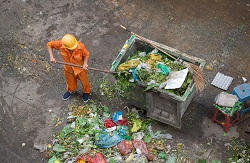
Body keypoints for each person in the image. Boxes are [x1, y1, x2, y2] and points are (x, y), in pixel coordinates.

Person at [47, 34, 90, 102]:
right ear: (65, 47)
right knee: (70, 81)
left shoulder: (80, 46)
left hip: (80, 69)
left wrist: (85, 63)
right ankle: (70, 90)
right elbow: (49, 44)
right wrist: (51, 57)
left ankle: (86, 92)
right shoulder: (60, 44)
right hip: (68, 69)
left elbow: (86, 55)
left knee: (85, 82)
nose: (74, 48)